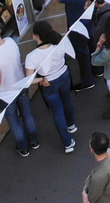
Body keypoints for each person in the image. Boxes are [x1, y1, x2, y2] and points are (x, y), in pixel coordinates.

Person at [0, 21, 38, 155]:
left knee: (14, 121)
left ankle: (23, 148)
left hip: (6, 94)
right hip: (21, 85)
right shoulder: (10, 42)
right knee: (27, 114)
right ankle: (34, 141)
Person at [26, 22, 78, 153]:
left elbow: (28, 80)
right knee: (67, 100)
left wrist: (40, 80)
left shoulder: (31, 57)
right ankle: (71, 125)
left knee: (57, 112)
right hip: (64, 75)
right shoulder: (59, 43)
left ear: (36, 36)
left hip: (48, 82)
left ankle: (68, 143)